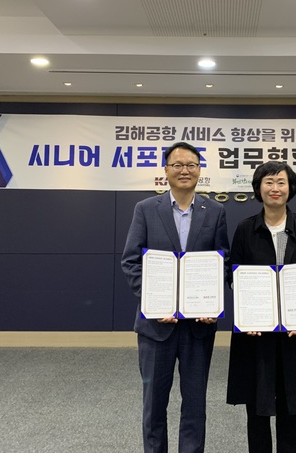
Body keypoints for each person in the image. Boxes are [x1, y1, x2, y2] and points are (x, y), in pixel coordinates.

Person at [121, 141, 230, 453]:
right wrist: (154, 303)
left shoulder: (215, 211)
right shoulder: (145, 209)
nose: (185, 170)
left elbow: (221, 262)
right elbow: (131, 262)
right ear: (166, 170)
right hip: (156, 327)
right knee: (154, 405)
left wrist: (212, 302)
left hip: (198, 327)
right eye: (178, 165)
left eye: (191, 165)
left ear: (199, 170)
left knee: (195, 406)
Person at [226, 161, 296, 453]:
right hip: (256, 334)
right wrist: (247, 316)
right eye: (268, 182)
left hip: (295, 333)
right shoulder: (246, 229)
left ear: (290, 188)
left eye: (281, 182)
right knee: (257, 405)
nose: (275, 188)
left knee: (292, 405)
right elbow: (234, 275)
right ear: (258, 189)